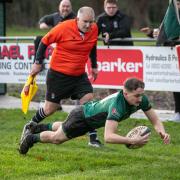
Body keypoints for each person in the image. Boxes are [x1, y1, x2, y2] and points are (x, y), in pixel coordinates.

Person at [19, 77, 170, 155]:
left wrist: (161, 131)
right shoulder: (117, 106)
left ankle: (38, 127)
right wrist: (132, 140)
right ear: (125, 93)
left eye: (141, 95)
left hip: (86, 116)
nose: (140, 99)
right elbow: (108, 137)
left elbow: (155, 119)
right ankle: (31, 138)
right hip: (82, 118)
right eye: (136, 95)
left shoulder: (140, 100)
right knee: (57, 139)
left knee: (64, 127)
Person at [20, 6, 102, 148]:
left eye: (91, 21)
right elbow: (44, 41)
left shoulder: (94, 29)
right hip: (59, 75)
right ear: (77, 19)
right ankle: (30, 126)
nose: (88, 25)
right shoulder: (63, 27)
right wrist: (37, 62)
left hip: (79, 76)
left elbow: (92, 45)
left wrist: (94, 65)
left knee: (89, 104)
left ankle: (93, 139)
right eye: (85, 22)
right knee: (50, 109)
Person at [140, 0, 180, 122]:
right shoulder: (171, 15)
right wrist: (152, 33)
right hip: (173, 56)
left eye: (179, 3)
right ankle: (178, 112)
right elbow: (165, 33)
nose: (177, 6)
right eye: (176, 3)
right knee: (176, 84)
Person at [35, 0, 76, 111]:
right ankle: (53, 104)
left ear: (71, 8)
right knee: (53, 79)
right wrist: (42, 23)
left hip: (69, 55)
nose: (65, 8)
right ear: (59, 7)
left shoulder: (76, 18)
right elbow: (43, 20)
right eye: (63, 6)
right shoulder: (55, 16)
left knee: (66, 81)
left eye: (67, 6)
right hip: (56, 55)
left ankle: (65, 104)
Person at [95, 0, 133, 94]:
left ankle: (127, 100)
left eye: (113, 7)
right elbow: (94, 33)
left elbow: (125, 31)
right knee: (111, 80)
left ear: (117, 7)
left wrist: (110, 35)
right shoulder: (100, 19)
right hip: (110, 55)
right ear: (105, 8)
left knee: (126, 80)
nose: (111, 10)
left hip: (126, 53)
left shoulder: (123, 17)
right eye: (109, 8)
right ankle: (114, 101)